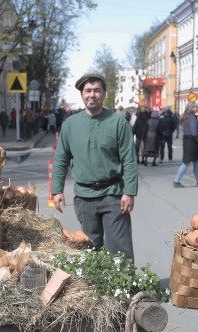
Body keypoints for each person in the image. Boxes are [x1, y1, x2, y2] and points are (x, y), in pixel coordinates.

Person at [51, 71, 138, 261]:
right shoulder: (70, 125)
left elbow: (130, 160)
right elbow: (61, 159)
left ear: (104, 94)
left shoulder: (118, 123)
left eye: (97, 90)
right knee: (90, 249)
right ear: (82, 94)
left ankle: (124, 289)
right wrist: (56, 190)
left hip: (113, 195)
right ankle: (98, 290)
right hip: (84, 197)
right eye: (88, 90)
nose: (92, 94)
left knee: (119, 249)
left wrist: (129, 191)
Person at [173, 104, 198, 188]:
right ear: (191, 108)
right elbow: (194, 132)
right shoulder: (192, 118)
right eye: (196, 107)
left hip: (188, 140)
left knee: (196, 162)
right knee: (186, 162)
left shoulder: (186, 117)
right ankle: (177, 180)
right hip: (192, 142)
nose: (197, 108)